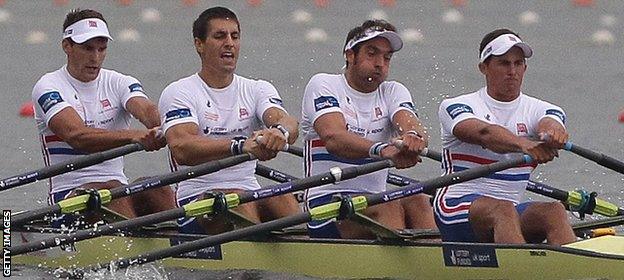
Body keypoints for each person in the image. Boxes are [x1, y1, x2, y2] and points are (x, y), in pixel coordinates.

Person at [159, 7, 300, 234]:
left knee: (283, 197)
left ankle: (302, 252)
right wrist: (240, 145)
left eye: (235, 36)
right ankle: (257, 261)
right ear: (199, 44)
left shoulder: (256, 89)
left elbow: (287, 121)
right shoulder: (180, 92)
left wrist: (280, 132)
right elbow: (181, 147)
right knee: (236, 200)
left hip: (247, 192)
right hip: (195, 201)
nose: (229, 43)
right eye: (219, 36)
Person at [32, 9, 175, 228]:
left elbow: (147, 111)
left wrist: (169, 125)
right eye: (87, 48)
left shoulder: (119, 82)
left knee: (157, 187)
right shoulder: (48, 87)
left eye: (102, 49)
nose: (95, 58)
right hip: (68, 200)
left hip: (116, 191)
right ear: (66, 47)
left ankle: (183, 249)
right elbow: (77, 136)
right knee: (111, 192)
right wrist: (134, 136)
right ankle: (137, 250)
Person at [434, 28, 576, 244]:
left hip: (508, 210)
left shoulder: (542, 108)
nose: (512, 71)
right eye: (503, 63)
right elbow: (485, 134)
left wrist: (552, 134)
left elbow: (550, 122)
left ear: (525, 68)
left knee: (554, 211)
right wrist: (524, 145)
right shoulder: (456, 106)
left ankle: (578, 271)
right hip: (455, 207)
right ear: (484, 68)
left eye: (518, 63)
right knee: (503, 209)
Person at [301, 19, 437, 239]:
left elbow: (411, 123)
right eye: (371, 53)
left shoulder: (393, 91)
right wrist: (382, 150)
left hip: (372, 201)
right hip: (325, 206)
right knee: (389, 205)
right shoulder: (324, 84)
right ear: (350, 55)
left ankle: (436, 264)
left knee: (418, 199)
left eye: (387, 57)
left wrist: (413, 137)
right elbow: (333, 138)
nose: (380, 63)